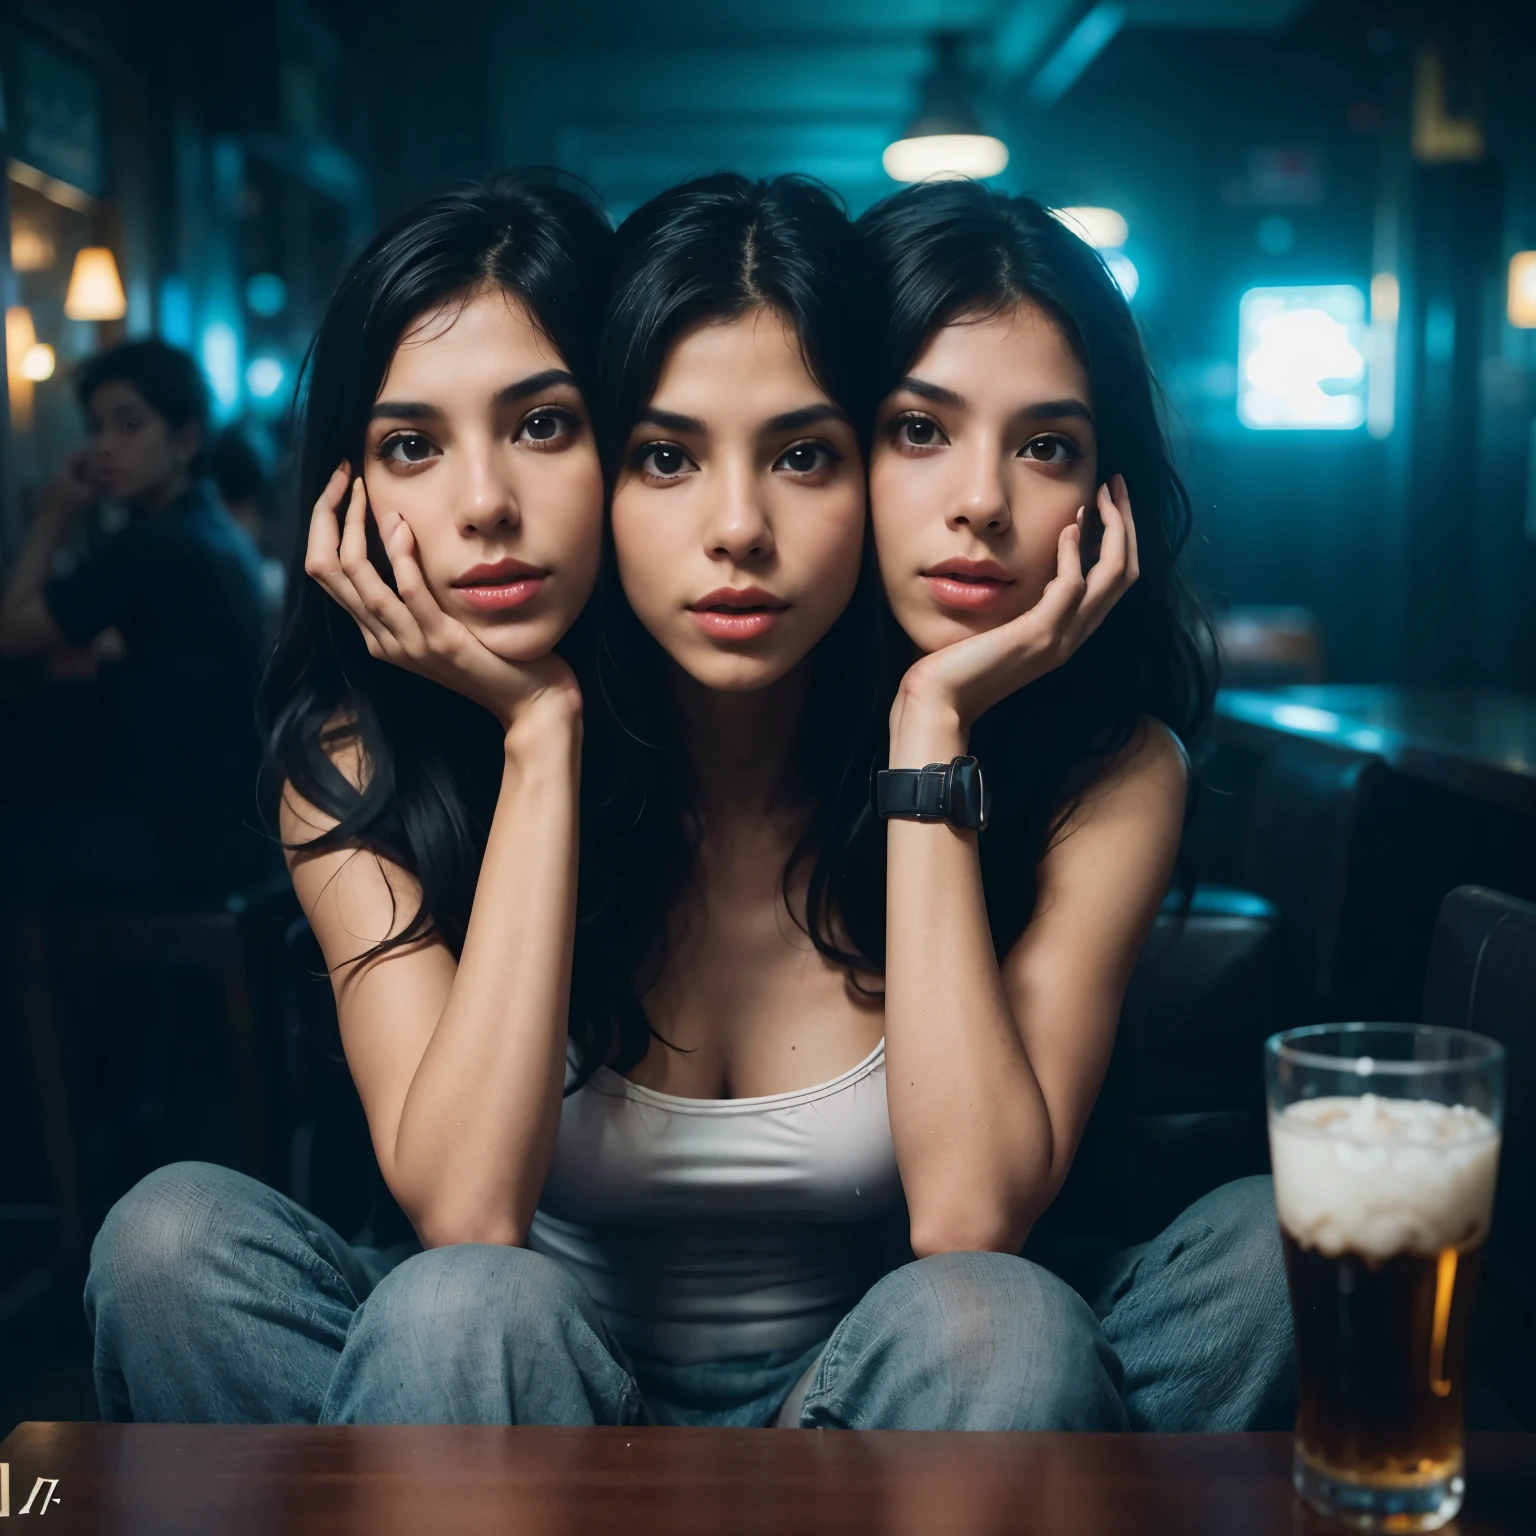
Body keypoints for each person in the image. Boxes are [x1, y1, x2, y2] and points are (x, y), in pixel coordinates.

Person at [857, 179, 1294, 1430]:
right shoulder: (735, 681)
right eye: (919, 428)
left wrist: (931, 722)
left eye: (1046, 446)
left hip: (984, 1351)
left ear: (1106, 504)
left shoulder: (1117, 765)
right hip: (652, 1351)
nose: (984, 502)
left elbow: (967, 1219)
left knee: (1271, 1254)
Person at [0, 339, 271, 896]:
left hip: (185, 835)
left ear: (186, 440)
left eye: (128, 425)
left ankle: (54, 987)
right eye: (95, 427)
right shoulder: (214, 528)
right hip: (240, 817)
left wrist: (53, 513)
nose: (103, 447)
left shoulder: (154, 543)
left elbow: (12, 634)